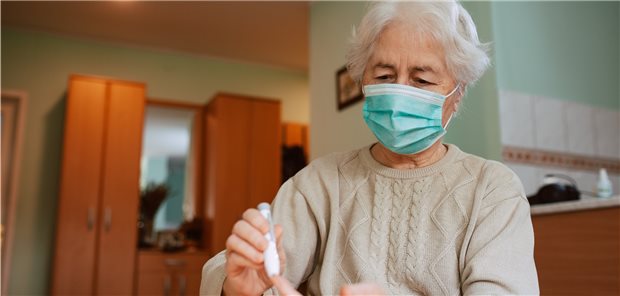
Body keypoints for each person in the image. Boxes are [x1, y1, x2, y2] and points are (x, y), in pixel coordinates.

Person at [201, 1, 539, 295]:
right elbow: (241, 273)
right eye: (383, 76)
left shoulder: (492, 190)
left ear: (458, 93)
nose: (399, 93)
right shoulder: (320, 183)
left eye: (421, 80)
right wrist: (236, 288)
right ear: (363, 81)